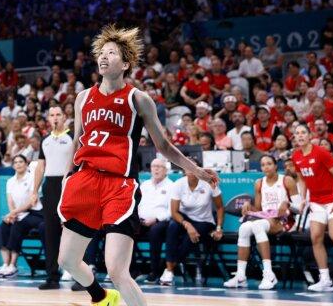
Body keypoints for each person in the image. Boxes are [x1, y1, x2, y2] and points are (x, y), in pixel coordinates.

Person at [58, 25, 220, 306]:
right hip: (84, 180)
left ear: (126, 64)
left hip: (118, 184)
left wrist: (196, 170)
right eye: (102, 53)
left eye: (112, 53)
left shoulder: (138, 99)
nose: (104, 57)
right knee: (67, 261)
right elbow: (77, 140)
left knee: (117, 270)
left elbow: (164, 146)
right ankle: (102, 298)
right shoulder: (83, 98)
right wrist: (67, 175)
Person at [290, 123, 333, 293]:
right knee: (315, 238)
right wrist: (302, 198)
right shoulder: (296, 156)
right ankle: (325, 280)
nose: (299, 136)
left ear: (309, 135)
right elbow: (302, 179)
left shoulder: (321, 152)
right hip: (316, 201)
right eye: (296, 133)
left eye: (302, 133)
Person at [224, 154, 296, 290]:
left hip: (286, 219)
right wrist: (248, 205)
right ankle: (240, 276)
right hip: (266, 218)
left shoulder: (287, 180)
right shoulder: (259, 183)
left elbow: (299, 208)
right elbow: (258, 209)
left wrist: (287, 204)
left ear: (275, 166)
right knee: (244, 228)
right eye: (263, 165)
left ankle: (269, 274)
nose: (266, 167)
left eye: (269, 163)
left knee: (257, 226)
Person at [33, 105, 73, 289]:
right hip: (50, 186)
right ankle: (52, 277)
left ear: (64, 117)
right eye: (52, 115)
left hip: (69, 185)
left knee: (73, 230)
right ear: (48, 119)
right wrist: (34, 190)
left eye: (58, 114)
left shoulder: (72, 137)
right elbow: (40, 167)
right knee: (50, 232)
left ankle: (80, 275)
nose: (55, 118)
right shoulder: (45, 140)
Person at [160, 170, 224, 285]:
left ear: (199, 169)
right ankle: (169, 270)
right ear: (184, 170)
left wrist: (218, 228)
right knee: (172, 227)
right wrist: (187, 224)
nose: (190, 169)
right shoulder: (179, 183)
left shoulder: (208, 183)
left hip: (204, 221)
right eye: (187, 166)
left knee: (189, 239)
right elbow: (174, 212)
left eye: (193, 166)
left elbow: (220, 207)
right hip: (184, 218)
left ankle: (169, 269)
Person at [0, 155, 43, 278]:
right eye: (15, 162)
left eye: (21, 161)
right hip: (17, 213)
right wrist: (13, 214)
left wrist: (13, 214)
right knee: (3, 226)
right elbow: (10, 200)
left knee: (17, 225)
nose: (18, 164)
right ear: (13, 166)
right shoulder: (10, 181)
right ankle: (5, 264)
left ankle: (13, 265)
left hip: (34, 213)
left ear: (26, 163)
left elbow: (31, 202)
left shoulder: (33, 179)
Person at [138, 158, 174, 284]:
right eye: (154, 166)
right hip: (142, 221)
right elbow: (137, 205)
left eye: (159, 166)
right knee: (127, 230)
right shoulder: (144, 185)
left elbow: (171, 211)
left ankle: (154, 271)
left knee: (155, 231)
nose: (156, 169)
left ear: (166, 170)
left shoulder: (171, 186)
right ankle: (130, 269)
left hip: (161, 222)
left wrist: (156, 219)